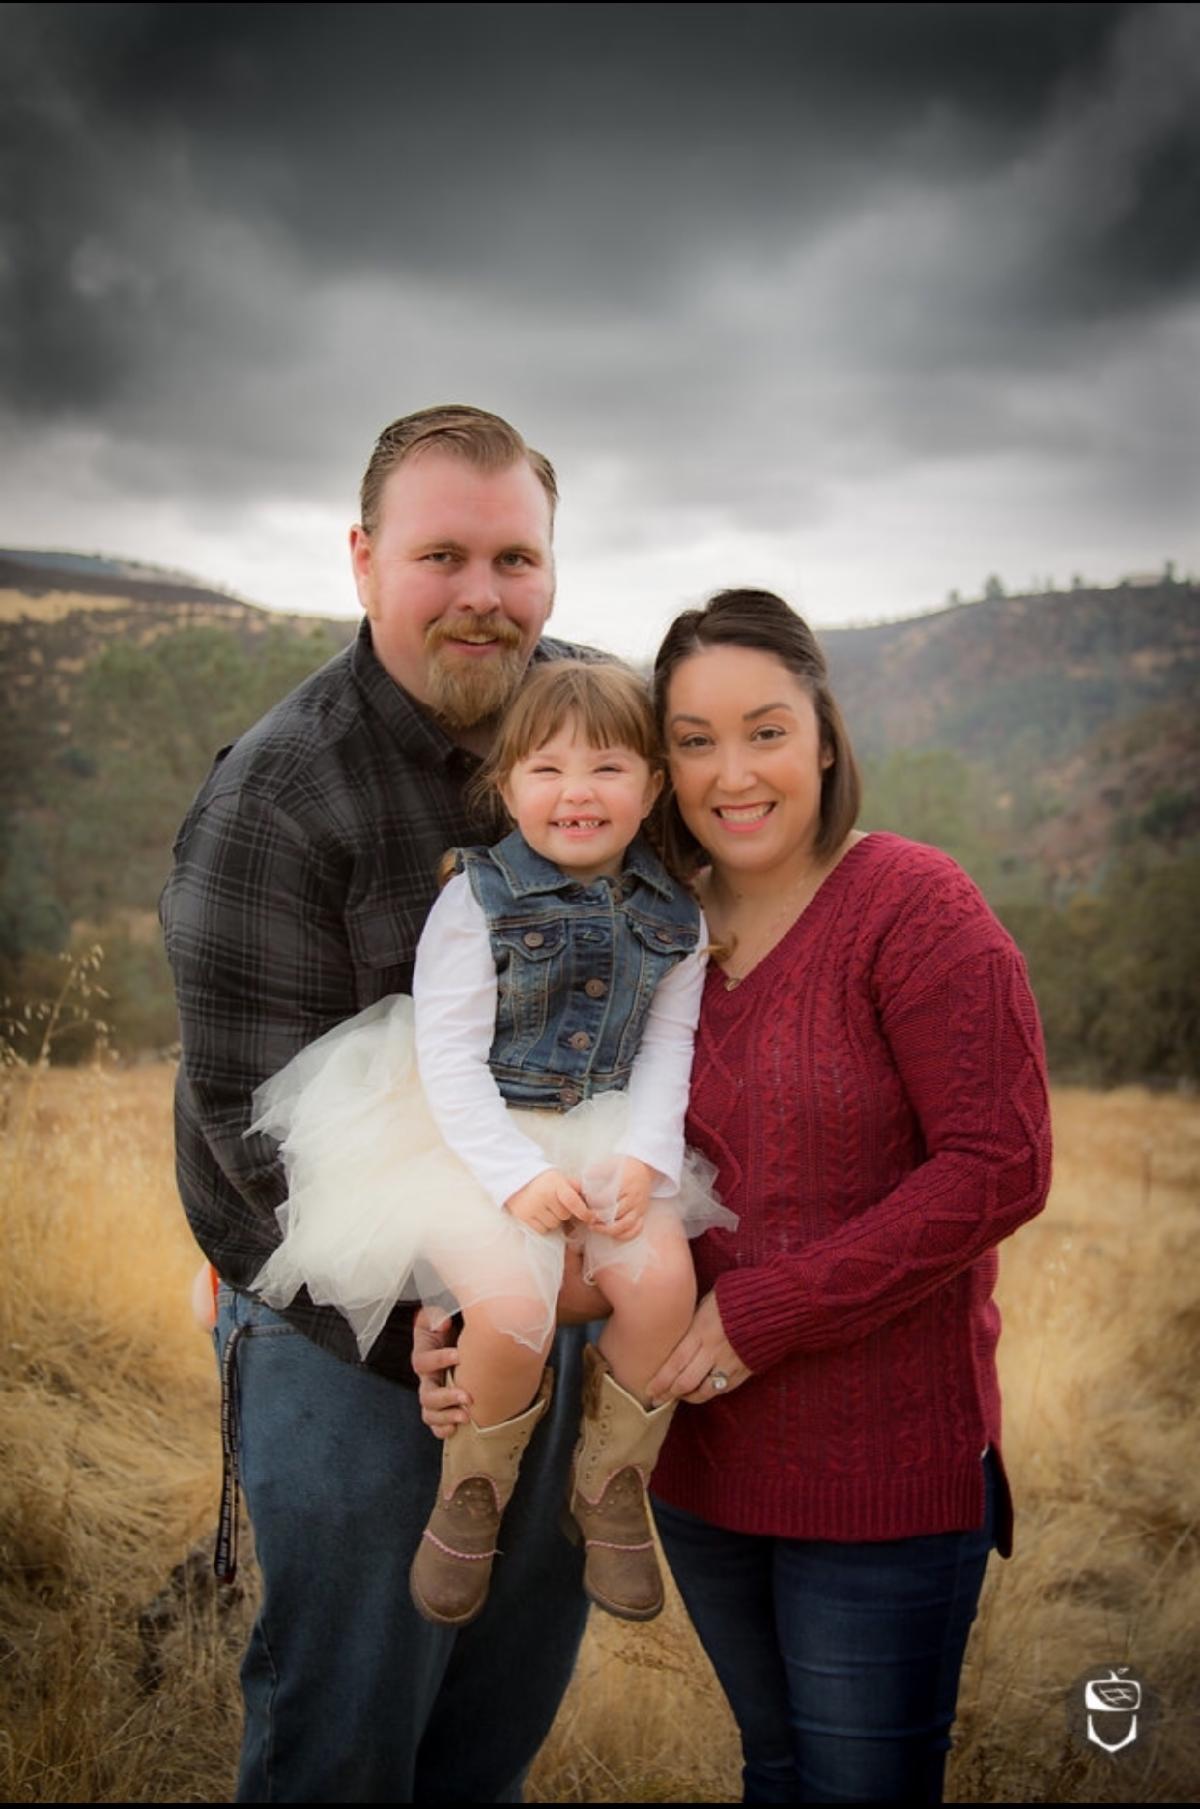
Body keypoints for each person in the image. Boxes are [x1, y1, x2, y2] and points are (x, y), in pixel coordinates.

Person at [161, 405, 601, 1804]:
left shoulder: (594, 725)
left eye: (516, 559)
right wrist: (431, 1329)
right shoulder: (279, 798)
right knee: (348, 1721)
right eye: (441, 556)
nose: (485, 595)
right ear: (363, 561)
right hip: (342, 1313)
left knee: (500, 1696)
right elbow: (255, 1137)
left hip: (551, 1267)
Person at [642, 588, 1052, 1804]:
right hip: (700, 1461)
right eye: (695, 741)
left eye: (766, 731)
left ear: (824, 736)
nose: (733, 774)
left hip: (881, 1468)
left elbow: (1001, 1163)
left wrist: (768, 1313)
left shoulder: (912, 905)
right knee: (773, 1774)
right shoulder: (657, 927)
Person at [247, 659, 733, 1628]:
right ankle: (473, 1491)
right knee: (511, 1311)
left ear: (650, 787)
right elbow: (449, 1057)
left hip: (603, 1127)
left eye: (606, 768)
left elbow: (667, 1045)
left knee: (663, 1289)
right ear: (507, 788)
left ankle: (611, 1482)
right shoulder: (477, 897)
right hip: (471, 1137)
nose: (577, 792)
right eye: (547, 770)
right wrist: (515, 1178)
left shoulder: (677, 916)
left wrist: (644, 1156)